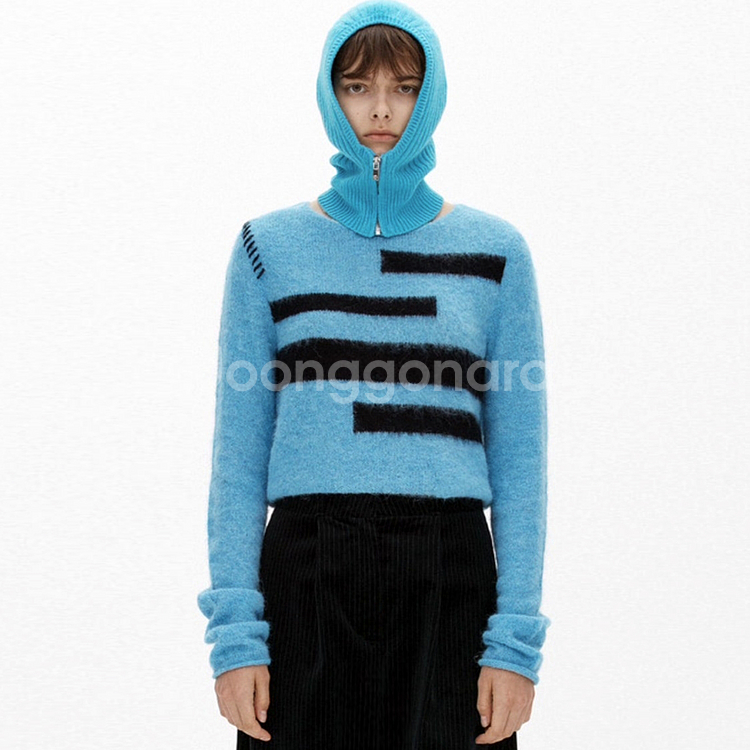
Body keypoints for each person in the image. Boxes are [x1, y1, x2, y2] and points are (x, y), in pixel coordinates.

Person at [197, 1, 551, 748]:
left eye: (405, 87)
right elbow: (237, 458)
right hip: (307, 573)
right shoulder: (267, 248)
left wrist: (515, 643)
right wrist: (235, 636)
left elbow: (521, 462)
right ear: (331, 96)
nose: (382, 109)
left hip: (450, 574)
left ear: (433, 95)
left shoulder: (496, 254)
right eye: (358, 86)